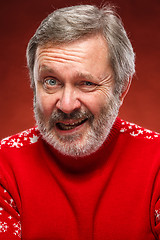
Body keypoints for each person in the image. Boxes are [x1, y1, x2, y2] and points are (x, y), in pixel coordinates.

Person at [0, 4, 160, 240]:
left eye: (86, 83)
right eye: (51, 81)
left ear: (121, 88)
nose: (66, 105)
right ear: (34, 85)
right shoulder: (4, 166)